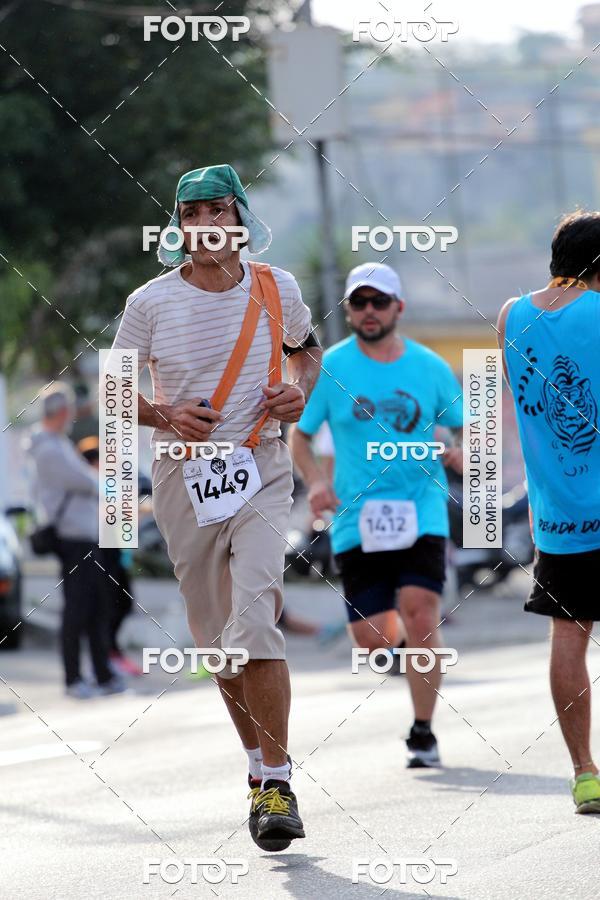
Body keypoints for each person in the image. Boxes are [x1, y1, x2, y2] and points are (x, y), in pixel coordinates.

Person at [108, 164, 321, 850]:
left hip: (260, 464)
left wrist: (299, 391)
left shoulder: (274, 287)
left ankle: (280, 780)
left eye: (217, 210)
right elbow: (114, 395)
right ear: (178, 224)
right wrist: (163, 413)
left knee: (255, 616)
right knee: (219, 642)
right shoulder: (149, 303)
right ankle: (258, 771)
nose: (204, 224)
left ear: (240, 219)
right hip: (182, 477)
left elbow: (307, 352)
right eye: (190, 213)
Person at [290, 262, 463, 767]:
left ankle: (424, 732)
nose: (369, 311)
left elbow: (465, 428)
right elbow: (299, 436)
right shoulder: (332, 369)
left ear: (398, 308)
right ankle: (406, 641)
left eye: (379, 301)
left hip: (421, 509)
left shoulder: (429, 367)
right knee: (372, 640)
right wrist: (317, 483)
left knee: (422, 612)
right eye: (359, 302)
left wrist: (457, 450)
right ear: (348, 310)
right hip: (355, 517)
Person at [497, 210, 600, 814]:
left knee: (569, 636)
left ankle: (585, 773)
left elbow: (513, 393)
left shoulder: (512, 315)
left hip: (557, 517)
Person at [26, 386, 125, 698]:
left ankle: (103, 675)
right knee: (77, 610)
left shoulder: (57, 444)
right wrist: (101, 482)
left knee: (97, 607)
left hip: (84, 538)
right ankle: (74, 679)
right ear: (62, 413)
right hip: (73, 540)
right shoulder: (48, 449)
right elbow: (86, 481)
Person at [77, 436, 141, 677]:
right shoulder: (90, 483)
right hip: (103, 553)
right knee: (109, 606)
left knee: (123, 603)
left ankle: (112, 652)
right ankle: (108, 656)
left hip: (116, 552)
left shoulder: (104, 482)